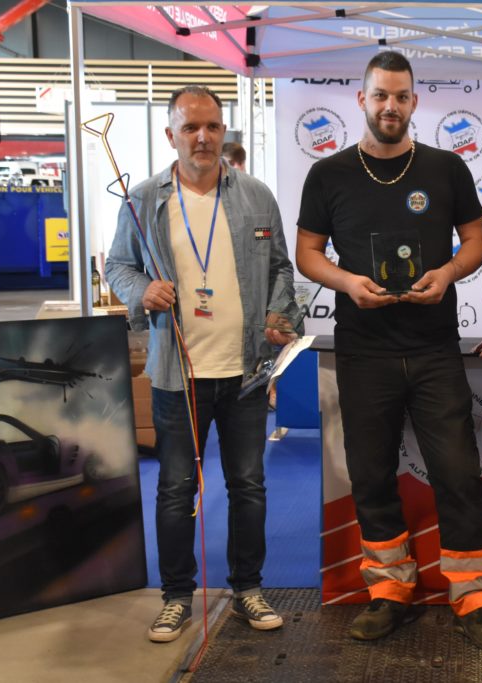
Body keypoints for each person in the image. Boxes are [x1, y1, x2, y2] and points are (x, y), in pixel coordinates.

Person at [294, 52, 482, 654]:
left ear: (414, 102)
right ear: (362, 100)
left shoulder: (446, 167)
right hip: (363, 352)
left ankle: (472, 595)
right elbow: (307, 252)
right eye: (380, 95)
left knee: (458, 472)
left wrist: (447, 274)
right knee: (370, 474)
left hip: (434, 348)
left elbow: (476, 241)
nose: (390, 106)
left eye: (401, 96)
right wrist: (346, 283)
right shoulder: (329, 174)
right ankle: (389, 588)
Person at [106, 85, 300, 643]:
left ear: (223, 132)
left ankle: (247, 590)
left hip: (245, 373)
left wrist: (278, 314)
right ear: (171, 135)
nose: (203, 137)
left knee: (249, 486)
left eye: (212, 126)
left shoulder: (256, 196)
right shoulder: (144, 199)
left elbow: (281, 268)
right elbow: (118, 265)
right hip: (177, 374)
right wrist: (142, 289)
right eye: (190, 127)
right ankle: (175, 597)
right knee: (175, 489)